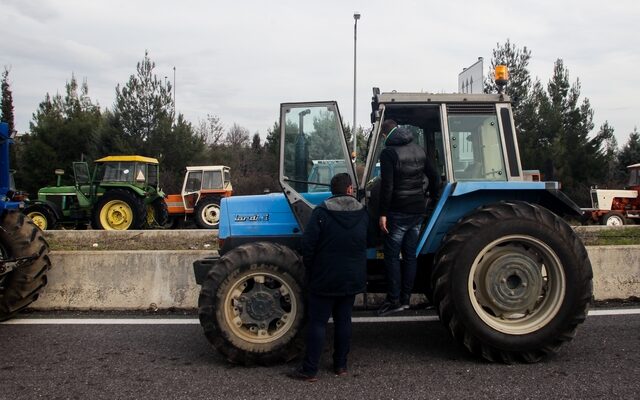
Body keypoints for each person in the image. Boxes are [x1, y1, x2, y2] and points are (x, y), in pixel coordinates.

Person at [288, 173, 369, 382]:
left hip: (325, 277)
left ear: (332, 191)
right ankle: (340, 365)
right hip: (351, 277)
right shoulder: (363, 213)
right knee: (344, 321)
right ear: (350, 189)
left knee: (318, 323)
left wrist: (312, 269)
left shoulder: (321, 212)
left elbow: (308, 245)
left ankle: (310, 370)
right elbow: (366, 241)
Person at [376, 119, 439, 316]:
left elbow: (388, 187)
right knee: (411, 256)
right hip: (417, 211)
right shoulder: (419, 149)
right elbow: (435, 177)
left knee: (392, 257)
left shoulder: (388, 153)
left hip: (398, 211)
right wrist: (431, 198)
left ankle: (394, 300)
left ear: (385, 135)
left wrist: (383, 213)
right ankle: (405, 300)